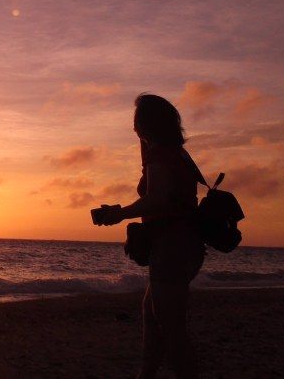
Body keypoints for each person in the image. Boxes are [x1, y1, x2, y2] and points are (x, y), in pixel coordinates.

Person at [96, 94, 205, 379]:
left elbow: (156, 200)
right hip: (185, 244)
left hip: (173, 245)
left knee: (171, 326)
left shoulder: (161, 156)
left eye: (136, 122)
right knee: (152, 313)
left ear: (145, 124)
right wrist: (142, 139)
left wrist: (119, 213)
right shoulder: (174, 153)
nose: (133, 127)